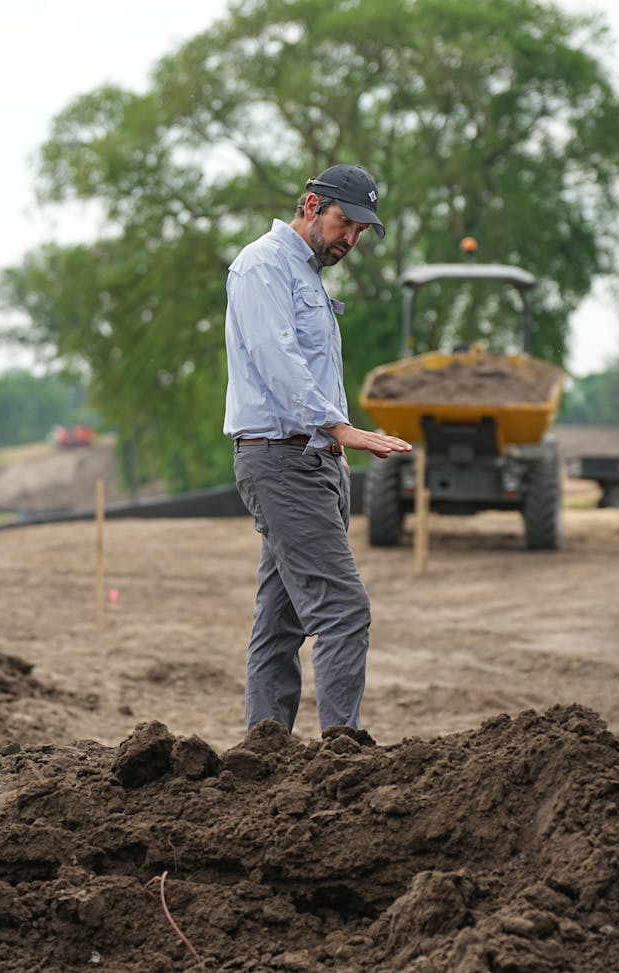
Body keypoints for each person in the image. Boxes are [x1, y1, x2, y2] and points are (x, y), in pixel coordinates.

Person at [223, 164, 412, 733]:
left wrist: (335, 442)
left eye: (360, 230)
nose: (351, 239)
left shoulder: (307, 275)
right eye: (345, 222)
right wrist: (338, 427)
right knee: (342, 610)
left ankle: (264, 752)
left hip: (313, 462)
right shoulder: (262, 266)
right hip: (284, 461)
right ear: (311, 205)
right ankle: (342, 757)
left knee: (280, 621)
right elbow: (275, 358)